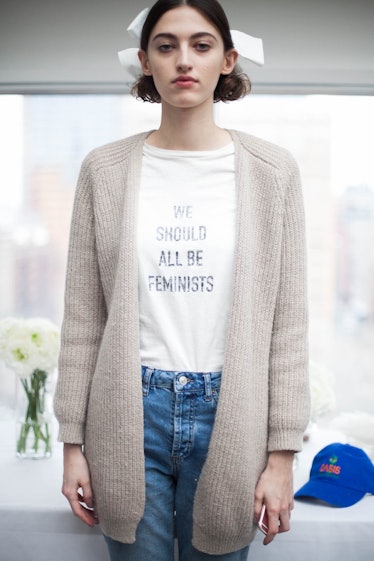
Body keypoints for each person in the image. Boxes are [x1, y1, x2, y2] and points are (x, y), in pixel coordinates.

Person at [54, 1, 310, 560]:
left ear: (227, 59)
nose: (183, 61)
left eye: (201, 45)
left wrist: (282, 456)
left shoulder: (273, 171)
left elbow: (286, 324)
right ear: (145, 62)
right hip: (128, 409)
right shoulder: (104, 170)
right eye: (166, 47)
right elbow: (83, 320)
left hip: (233, 411)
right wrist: (72, 443)